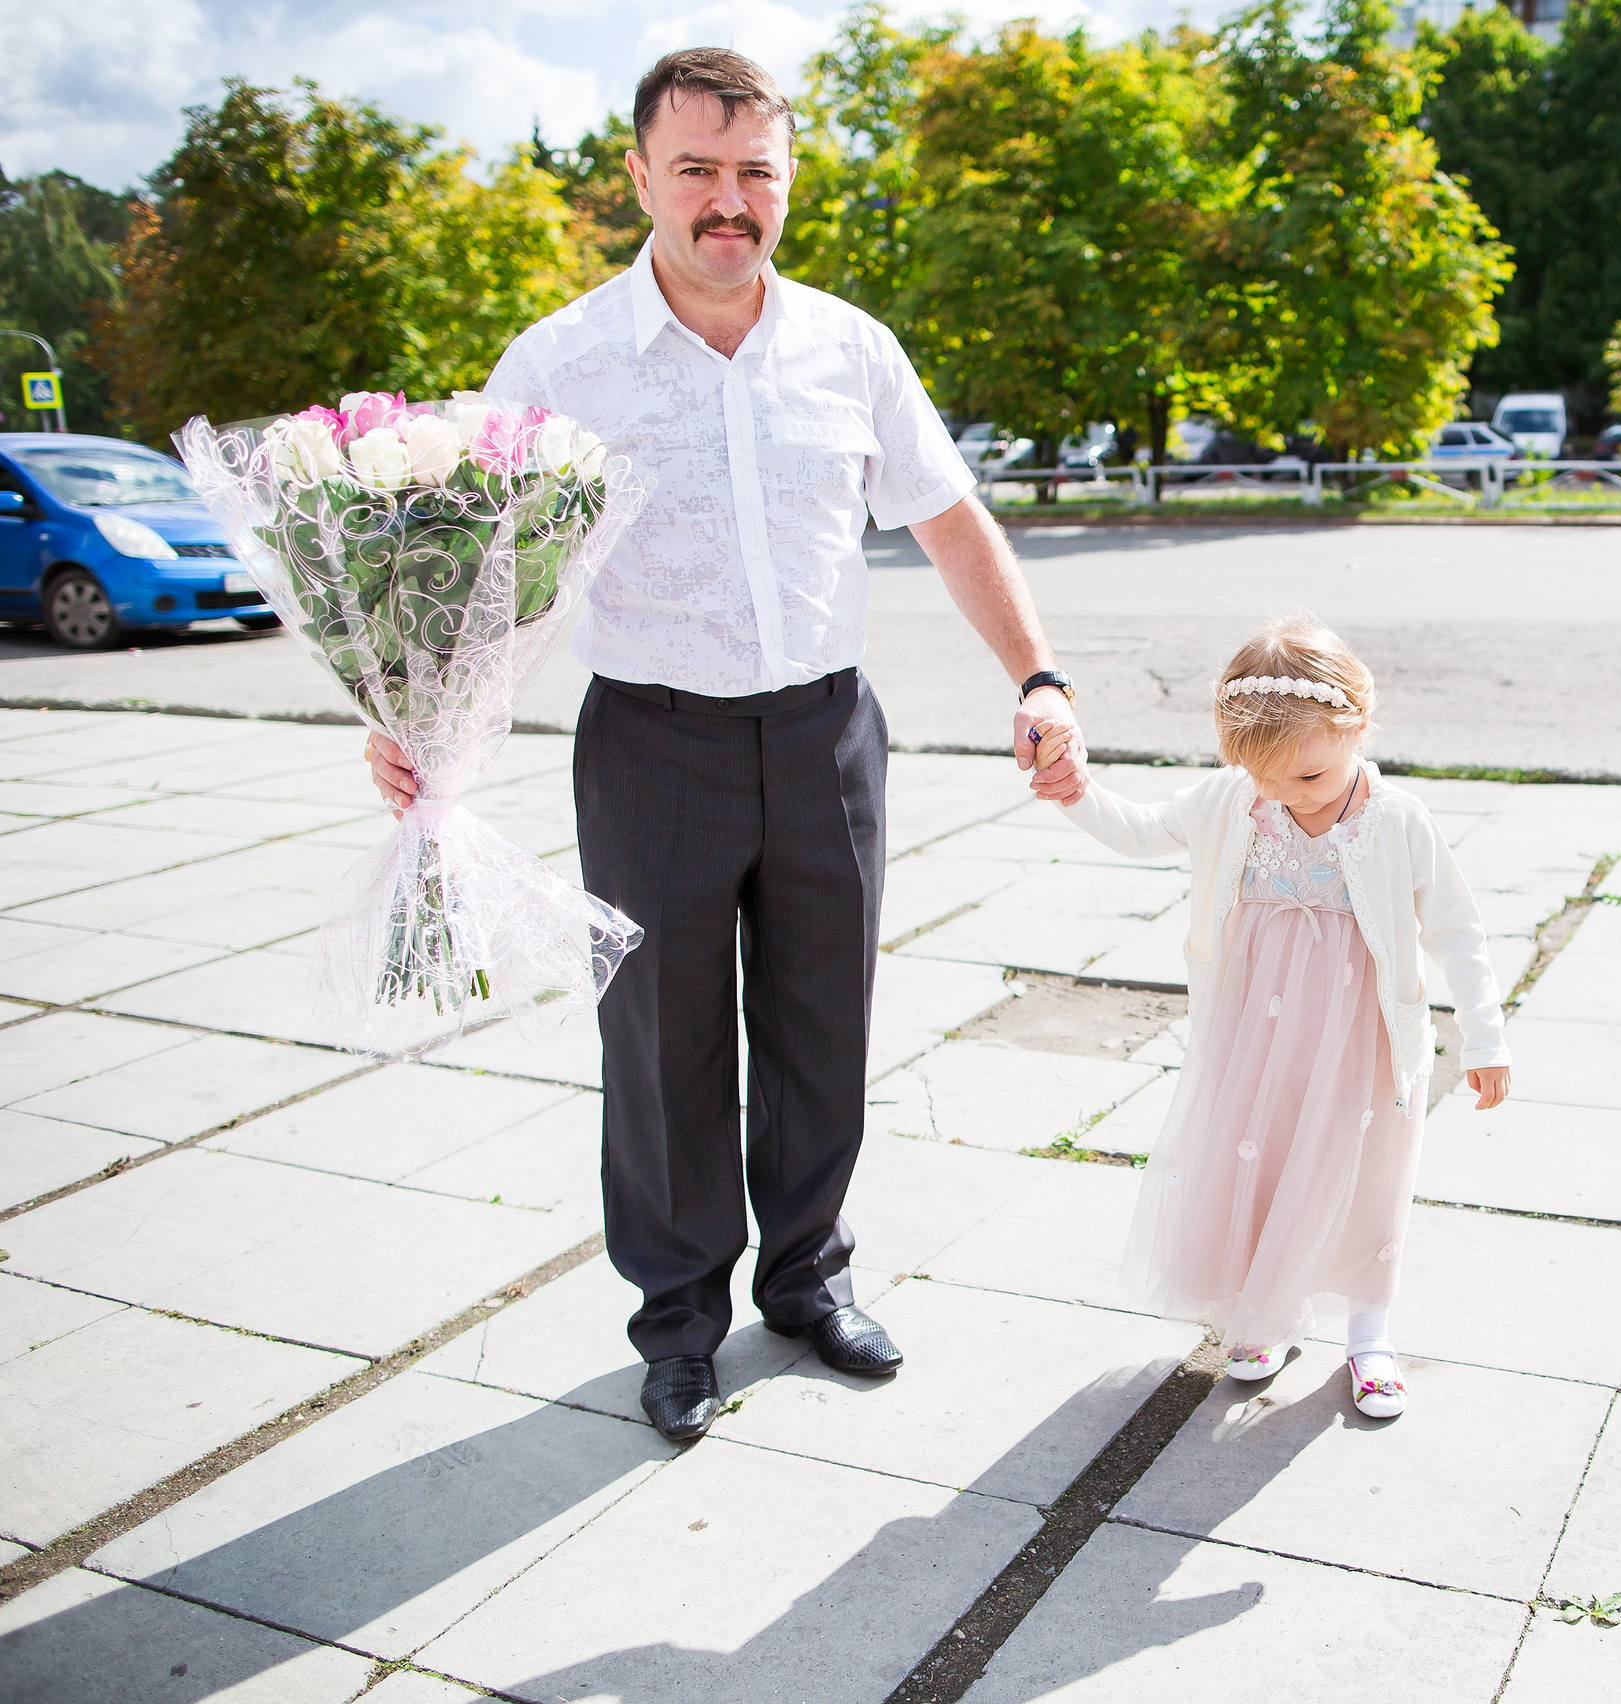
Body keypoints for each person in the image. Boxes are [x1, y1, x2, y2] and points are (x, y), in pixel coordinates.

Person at [364, 47, 1092, 1444]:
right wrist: (420, 730)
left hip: (827, 737)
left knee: (825, 1025)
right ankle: (681, 1323)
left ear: (789, 181)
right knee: (661, 1045)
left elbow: (948, 516)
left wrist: (1039, 676)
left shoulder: (849, 347)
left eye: (755, 170)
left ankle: (809, 1282)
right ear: (639, 174)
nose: (727, 199)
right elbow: (488, 573)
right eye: (696, 168)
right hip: (651, 747)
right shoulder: (559, 363)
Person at [1034, 617, 1511, 1420]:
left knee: (1362, 1175)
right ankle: (1271, 1313)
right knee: (1263, 1160)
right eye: (1267, 782)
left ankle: (1369, 1334)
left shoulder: (1397, 821)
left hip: (1358, 1041)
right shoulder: (1233, 800)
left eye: (1309, 779)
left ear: (1358, 724)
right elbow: (1143, 830)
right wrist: (1075, 790)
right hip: (1258, 1030)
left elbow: (1457, 932)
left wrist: (1486, 1038)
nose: (1286, 796)